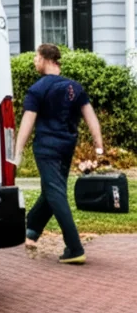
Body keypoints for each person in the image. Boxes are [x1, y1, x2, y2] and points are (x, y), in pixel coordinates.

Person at [13, 44, 104, 265]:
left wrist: (17, 152)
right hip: (66, 148)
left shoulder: (38, 89)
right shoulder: (74, 88)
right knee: (52, 189)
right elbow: (90, 116)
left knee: (55, 193)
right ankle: (32, 230)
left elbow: (28, 121)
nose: (34, 61)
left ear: (46, 59)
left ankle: (74, 247)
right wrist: (98, 145)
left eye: (36, 56)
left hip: (46, 148)